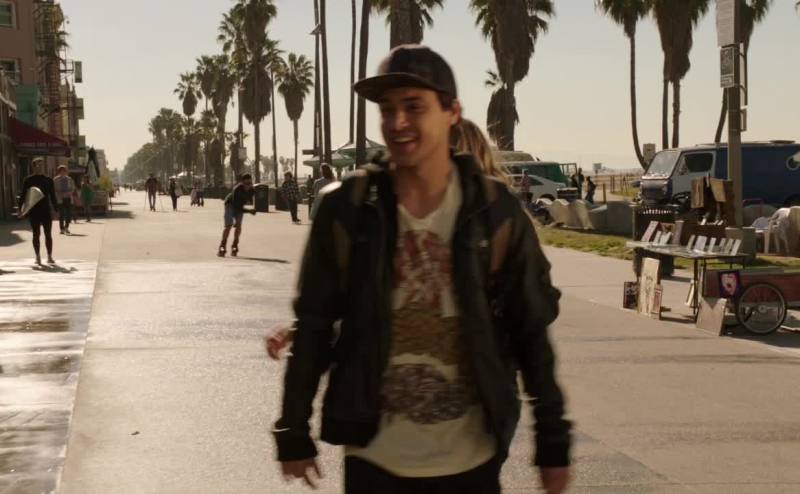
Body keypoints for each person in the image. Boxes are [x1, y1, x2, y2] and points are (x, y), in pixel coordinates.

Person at [274, 45, 571, 494]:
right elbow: (314, 324)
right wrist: (292, 428)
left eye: (414, 107)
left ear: (452, 113)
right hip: (374, 459)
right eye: (387, 109)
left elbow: (531, 331)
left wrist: (553, 440)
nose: (397, 123)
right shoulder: (347, 210)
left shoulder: (495, 213)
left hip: (471, 459)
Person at [18, 158, 59, 265]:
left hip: (46, 210)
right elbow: (23, 195)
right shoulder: (28, 180)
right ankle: (37, 256)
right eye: (37, 164)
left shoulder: (48, 180)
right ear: (33, 166)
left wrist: (56, 210)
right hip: (34, 210)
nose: (40, 166)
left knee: (48, 234)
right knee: (36, 234)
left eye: (41, 164)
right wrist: (20, 209)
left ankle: (49, 256)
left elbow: (53, 196)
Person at [218, 174, 256, 257]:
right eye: (246, 184)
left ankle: (235, 244)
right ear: (242, 183)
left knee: (238, 225)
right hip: (230, 204)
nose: (248, 186)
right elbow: (236, 207)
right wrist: (249, 211)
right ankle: (223, 245)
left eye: (250, 183)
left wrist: (254, 210)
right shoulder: (237, 189)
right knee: (228, 226)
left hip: (239, 206)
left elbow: (243, 205)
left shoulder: (252, 190)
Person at [53, 165, 75, 235]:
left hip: (68, 198)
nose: (63, 172)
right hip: (60, 198)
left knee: (68, 214)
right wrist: (59, 193)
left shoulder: (69, 179)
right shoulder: (55, 179)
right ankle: (62, 229)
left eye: (64, 171)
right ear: (59, 172)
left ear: (66, 171)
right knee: (61, 214)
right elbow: (54, 189)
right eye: (61, 171)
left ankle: (66, 227)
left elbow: (73, 188)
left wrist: (69, 193)